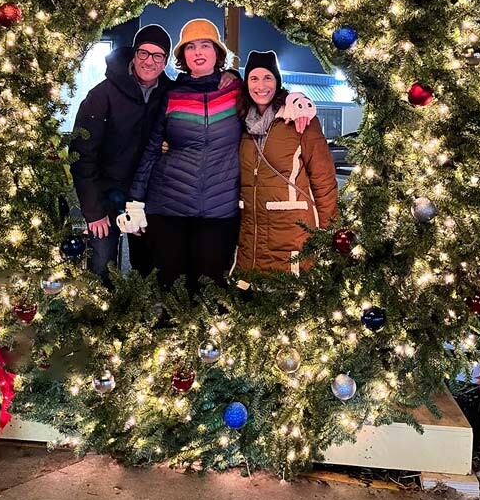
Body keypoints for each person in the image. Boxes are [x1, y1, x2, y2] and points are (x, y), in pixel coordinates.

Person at [116, 19, 314, 296]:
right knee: (172, 288)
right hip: (168, 207)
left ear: (217, 52)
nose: (198, 52)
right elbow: (151, 149)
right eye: (191, 47)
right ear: (183, 56)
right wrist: (135, 201)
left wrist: (299, 101)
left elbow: (268, 93)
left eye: (205, 45)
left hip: (219, 211)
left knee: (211, 289)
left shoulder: (236, 91)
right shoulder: (171, 94)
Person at [69, 24, 172, 283]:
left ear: (165, 61)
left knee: (147, 268)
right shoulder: (102, 95)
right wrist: (93, 211)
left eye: (157, 55)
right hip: (106, 195)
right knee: (102, 267)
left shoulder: (169, 95)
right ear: (134, 54)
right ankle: (99, 319)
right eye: (144, 53)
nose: (149, 61)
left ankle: (138, 320)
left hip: (146, 196)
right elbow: (82, 155)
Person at [235, 51, 338, 273]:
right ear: (247, 83)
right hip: (251, 229)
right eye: (254, 78)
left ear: (277, 82)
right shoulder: (240, 121)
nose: (261, 86)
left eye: (267, 78)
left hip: (293, 230)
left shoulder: (299, 119)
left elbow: (324, 179)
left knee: (289, 294)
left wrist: (328, 231)